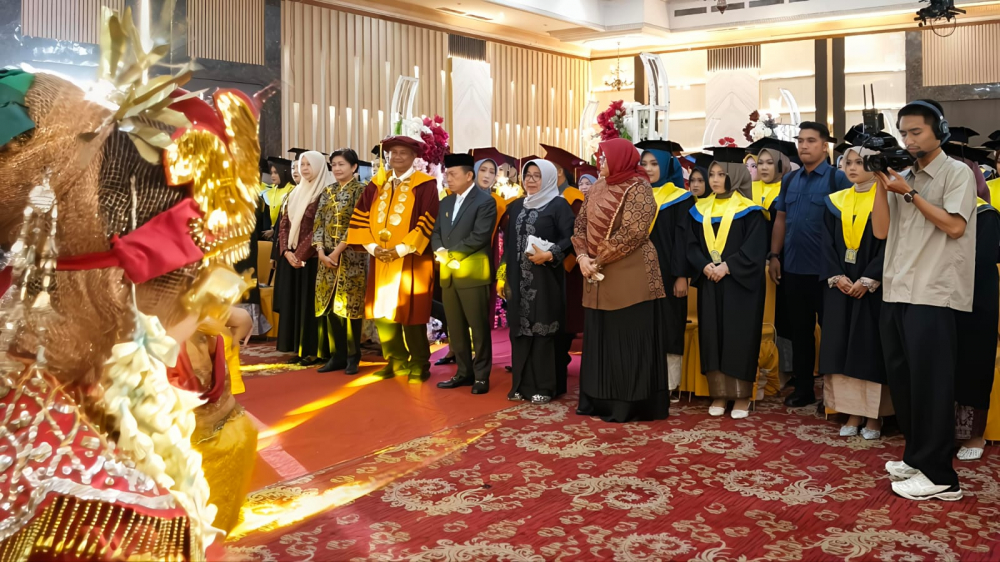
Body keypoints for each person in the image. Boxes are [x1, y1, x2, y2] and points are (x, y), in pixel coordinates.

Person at [871, 99, 976, 501]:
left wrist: (910, 193)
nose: (908, 140)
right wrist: (884, 183)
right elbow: (881, 232)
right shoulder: (903, 175)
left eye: (916, 132)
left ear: (939, 132)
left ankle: (941, 477)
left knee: (932, 384)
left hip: (934, 292)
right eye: (904, 132)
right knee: (905, 381)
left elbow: (953, 226)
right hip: (897, 288)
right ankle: (917, 457)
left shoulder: (956, 173)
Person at [574, 139, 669, 422]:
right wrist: (581, 258)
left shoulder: (639, 188)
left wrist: (597, 260)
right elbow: (580, 225)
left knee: (627, 340)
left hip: (631, 276)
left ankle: (627, 405)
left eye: (604, 157)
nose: (600, 162)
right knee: (600, 339)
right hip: (595, 275)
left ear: (621, 159)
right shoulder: (596, 188)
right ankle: (596, 401)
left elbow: (633, 232)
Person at [769, 122, 853, 407]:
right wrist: (774, 256)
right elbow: (781, 218)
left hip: (827, 271)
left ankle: (831, 395)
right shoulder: (790, 180)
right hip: (793, 268)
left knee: (831, 333)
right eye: (800, 140)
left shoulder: (837, 179)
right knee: (800, 333)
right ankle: (803, 389)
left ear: (824, 145)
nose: (803, 146)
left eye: (810, 141)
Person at [347, 135, 440, 383]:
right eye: (393, 153)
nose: (397, 157)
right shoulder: (377, 183)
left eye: (403, 153)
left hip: (411, 259)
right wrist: (372, 247)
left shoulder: (425, 184)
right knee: (383, 312)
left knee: (412, 313)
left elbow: (427, 220)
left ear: (413, 157)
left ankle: (420, 363)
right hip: (379, 259)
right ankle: (396, 360)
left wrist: (399, 250)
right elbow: (359, 217)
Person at [686, 147, 768, 418]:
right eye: (712, 174)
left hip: (739, 286)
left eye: (721, 174)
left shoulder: (751, 211)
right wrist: (704, 264)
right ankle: (719, 393)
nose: (715, 179)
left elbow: (755, 248)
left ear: (734, 174)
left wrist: (728, 267)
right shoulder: (700, 209)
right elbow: (692, 245)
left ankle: (742, 396)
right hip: (711, 281)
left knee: (738, 337)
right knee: (713, 336)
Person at [818, 146, 890, 440]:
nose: (852, 167)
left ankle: (874, 417)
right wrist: (836, 275)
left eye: (860, 162)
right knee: (840, 346)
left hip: (871, 289)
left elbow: (890, 243)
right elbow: (824, 243)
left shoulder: (886, 200)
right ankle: (851, 411)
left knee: (868, 347)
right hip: (841, 286)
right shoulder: (836, 201)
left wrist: (870, 277)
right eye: (848, 162)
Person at [499, 159, 575, 404]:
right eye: (527, 175)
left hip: (545, 279)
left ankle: (545, 386)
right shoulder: (516, 206)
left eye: (537, 176)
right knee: (520, 330)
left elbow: (571, 238)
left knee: (543, 330)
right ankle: (521, 385)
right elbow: (509, 246)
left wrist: (551, 254)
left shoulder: (558, 205)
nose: (530, 180)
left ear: (550, 178)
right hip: (517, 278)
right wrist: (502, 276)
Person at [433, 153, 498, 394]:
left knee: (478, 327)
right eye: (447, 174)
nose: (447, 178)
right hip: (449, 274)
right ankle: (463, 372)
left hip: (472, 273)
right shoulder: (446, 202)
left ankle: (482, 375)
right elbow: (436, 231)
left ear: (469, 175)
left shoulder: (485, 201)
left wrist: (449, 255)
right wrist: (439, 249)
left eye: (452, 174)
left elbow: (479, 237)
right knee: (456, 327)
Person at [639, 140, 693, 396]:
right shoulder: (637, 194)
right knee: (645, 325)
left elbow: (683, 242)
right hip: (638, 274)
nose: (648, 169)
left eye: (654, 164)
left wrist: (681, 275)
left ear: (666, 165)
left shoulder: (680, 199)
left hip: (669, 273)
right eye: (644, 163)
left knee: (670, 326)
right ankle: (647, 379)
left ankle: (670, 383)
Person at [274, 151, 333, 365]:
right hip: (292, 258)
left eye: (309, 164)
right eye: (302, 164)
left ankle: (315, 350)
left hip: (313, 260)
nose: (304, 168)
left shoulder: (325, 193)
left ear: (318, 166)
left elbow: (320, 227)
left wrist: (299, 255)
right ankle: (298, 348)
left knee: (310, 305)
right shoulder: (294, 193)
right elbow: (283, 225)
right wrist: (286, 252)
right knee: (295, 303)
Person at [314, 148, 368, 375]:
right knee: (329, 308)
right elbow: (318, 222)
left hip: (350, 258)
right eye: (333, 164)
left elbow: (358, 225)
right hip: (324, 258)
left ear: (354, 167)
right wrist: (319, 250)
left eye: (341, 164)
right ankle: (337, 355)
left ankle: (354, 356)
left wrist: (336, 252)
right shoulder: (328, 191)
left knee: (350, 308)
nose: (336, 169)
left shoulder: (361, 191)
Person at [954, 196, 1000, 460]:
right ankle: (940, 434)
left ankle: (974, 435)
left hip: (974, 301)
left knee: (972, 365)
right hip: (939, 299)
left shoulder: (985, 214)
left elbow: (981, 262)